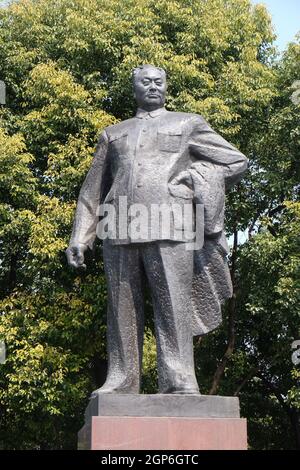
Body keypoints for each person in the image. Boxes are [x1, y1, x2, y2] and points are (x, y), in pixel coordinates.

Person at [66, 64, 248, 395]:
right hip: (118, 226)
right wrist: (80, 236)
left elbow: (235, 161)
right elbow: (92, 190)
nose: (152, 86)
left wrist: (193, 178)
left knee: (173, 305)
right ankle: (122, 380)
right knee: (121, 308)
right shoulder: (113, 133)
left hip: (172, 225)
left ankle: (179, 379)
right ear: (133, 88)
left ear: (166, 87)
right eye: (145, 82)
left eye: (158, 82)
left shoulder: (187, 123)